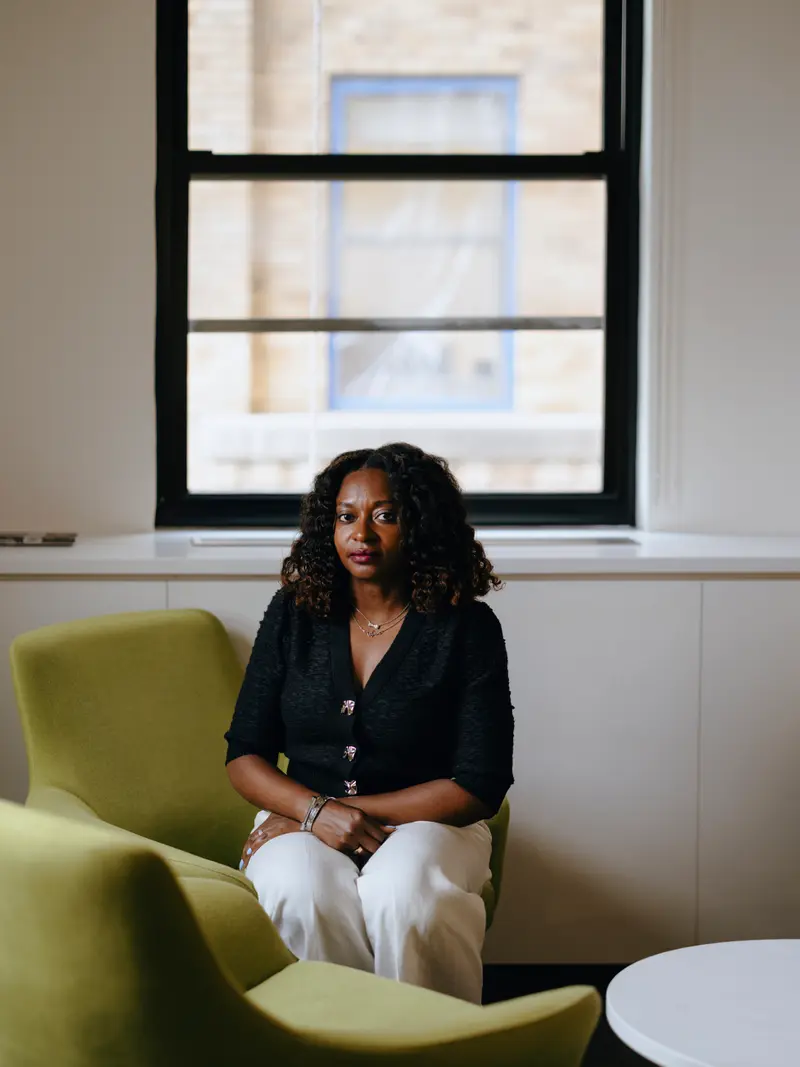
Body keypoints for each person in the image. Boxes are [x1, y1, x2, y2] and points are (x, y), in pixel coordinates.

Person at [224, 442, 514, 1003]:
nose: (361, 534)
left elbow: (479, 785)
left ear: (420, 525)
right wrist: (313, 813)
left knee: (407, 895)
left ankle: (434, 1040)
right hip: (303, 816)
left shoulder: (467, 628)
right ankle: (332, 1040)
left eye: (385, 516)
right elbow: (245, 754)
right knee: (297, 889)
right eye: (346, 516)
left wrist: (335, 812)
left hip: (429, 822)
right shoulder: (292, 614)